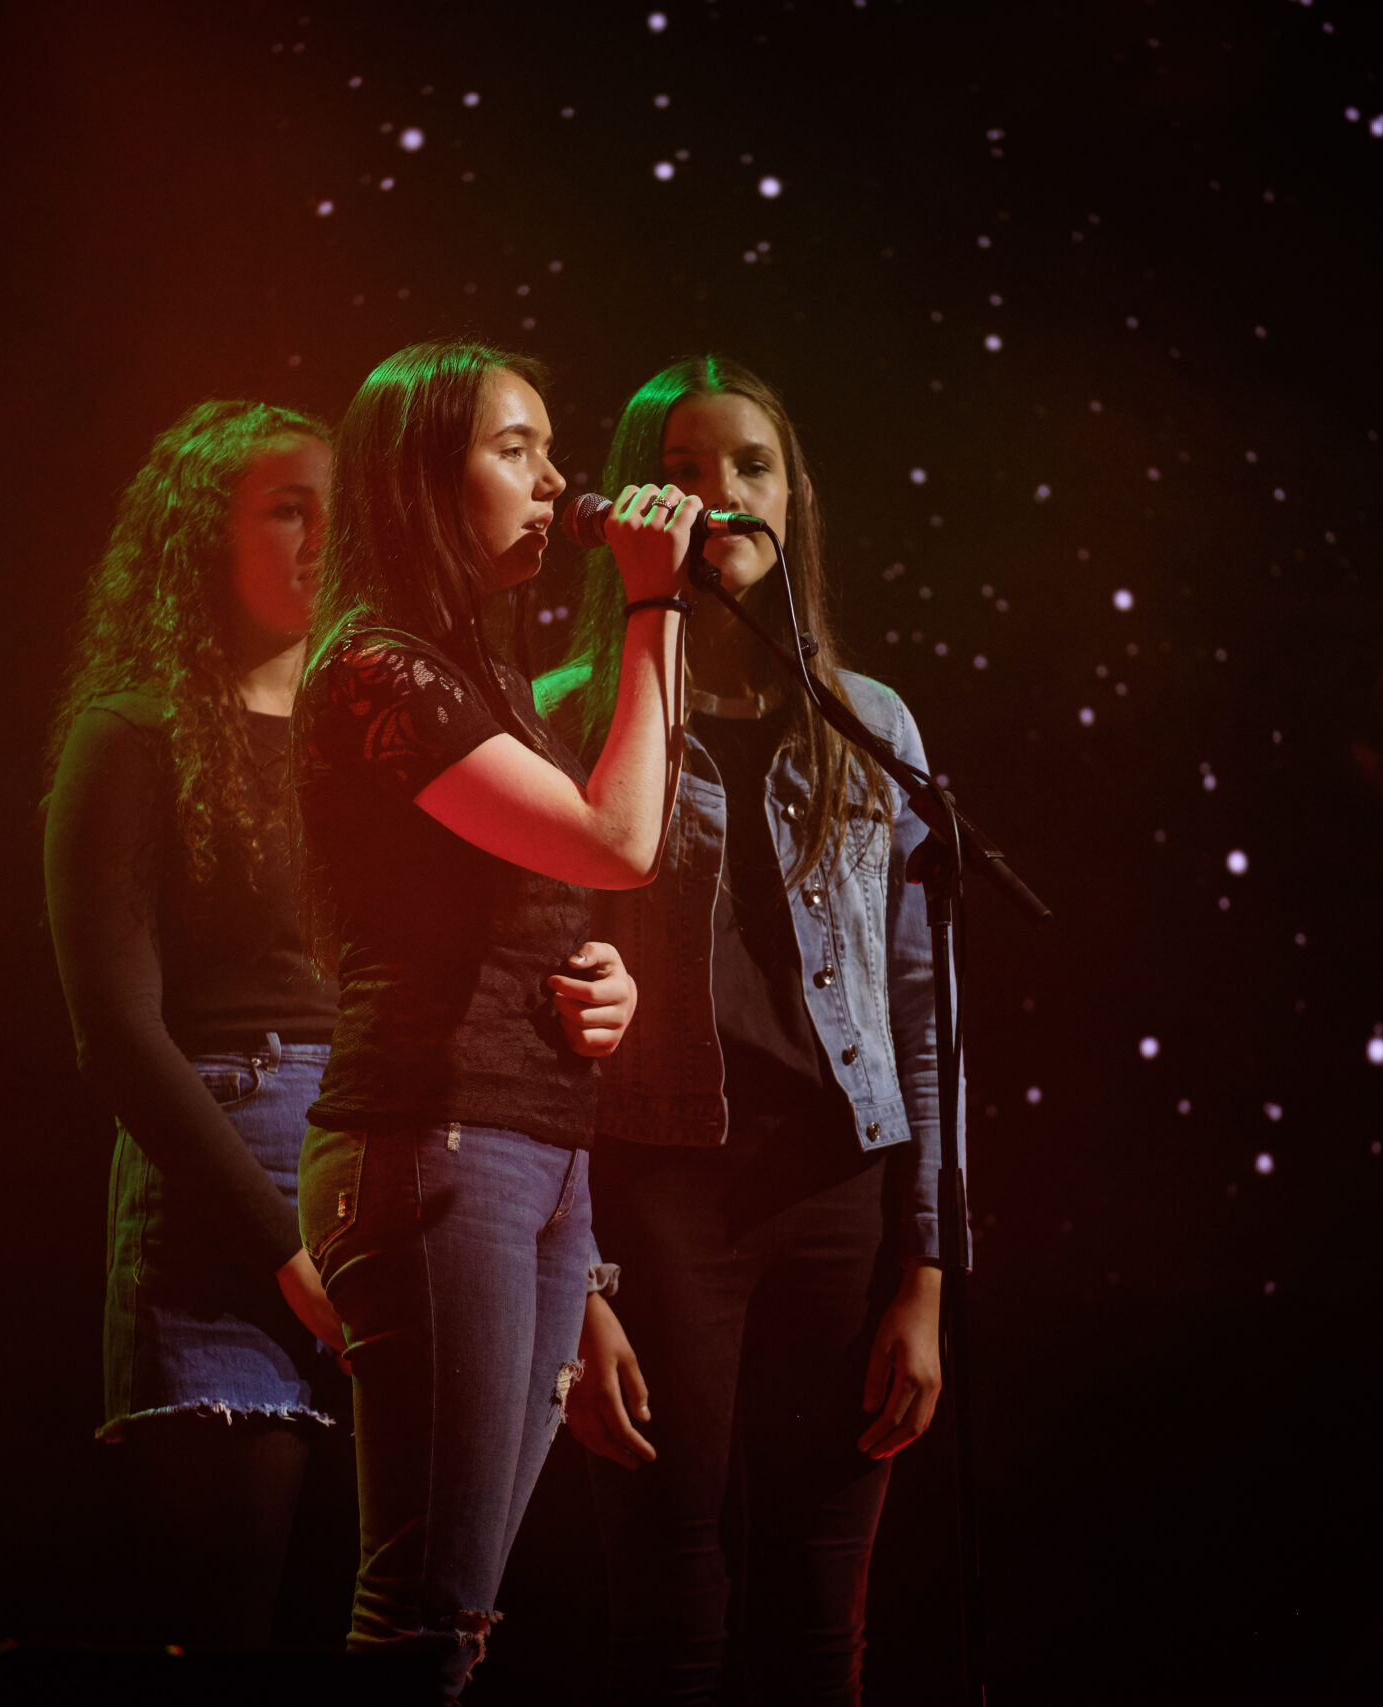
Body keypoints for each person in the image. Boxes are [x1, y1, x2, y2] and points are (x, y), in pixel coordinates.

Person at [540, 354, 951, 1705]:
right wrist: (575, 1283)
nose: (720, 494)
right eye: (683, 470)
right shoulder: (568, 714)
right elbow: (525, 1022)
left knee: (820, 1616)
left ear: (795, 499)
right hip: (658, 1197)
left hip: (840, 1194)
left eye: (750, 466)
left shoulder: (871, 723)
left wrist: (925, 1275)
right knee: (670, 1604)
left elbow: (922, 1011)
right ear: (633, 504)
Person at [291, 339, 692, 1700]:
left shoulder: (484, 675)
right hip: (434, 1144)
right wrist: (652, 605)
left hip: (533, 1152)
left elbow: (551, 885)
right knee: (423, 1614)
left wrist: (596, 974)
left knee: (458, 1623)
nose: (556, 481)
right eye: (515, 449)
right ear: (420, 476)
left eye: (550, 449)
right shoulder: (376, 672)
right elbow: (619, 838)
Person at [41, 399, 348, 1648]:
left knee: (392, 1625)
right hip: (224, 1198)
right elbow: (116, 1034)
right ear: (200, 538)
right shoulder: (132, 736)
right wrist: (283, 1250)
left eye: (338, 512)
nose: (324, 539)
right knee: (223, 1630)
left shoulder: (376, 738)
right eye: (288, 510)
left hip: (384, 1175)